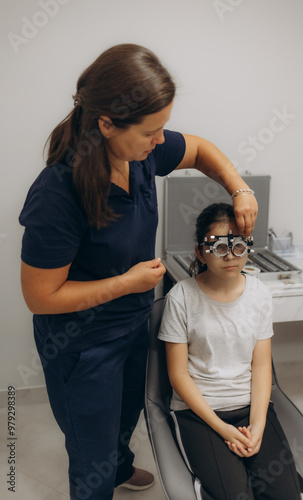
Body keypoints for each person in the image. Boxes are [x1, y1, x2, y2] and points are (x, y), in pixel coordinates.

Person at [19, 44, 258, 500]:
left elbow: (201, 149)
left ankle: (119, 466)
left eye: (163, 128)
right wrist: (127, 283)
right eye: (151, 132)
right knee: (90, 449)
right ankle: (99, 479)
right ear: (106, 124)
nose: (159, 140)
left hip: (133, 324)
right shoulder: (57, 194)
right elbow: (40, 296)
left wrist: (239, 188)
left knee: (127, 414)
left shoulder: (141, 152)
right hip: (82, 342)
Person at [158, 203, 302, 500]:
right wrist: (223, 429)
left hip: (249, 409)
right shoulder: (181, 298)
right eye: (219, 247)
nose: (230, 256)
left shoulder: (259, 294)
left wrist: (259, 425)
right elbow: (178, 375)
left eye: (238, 246)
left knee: (286, 495)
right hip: (200, 415)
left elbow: (262, 368)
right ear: (200, 252)